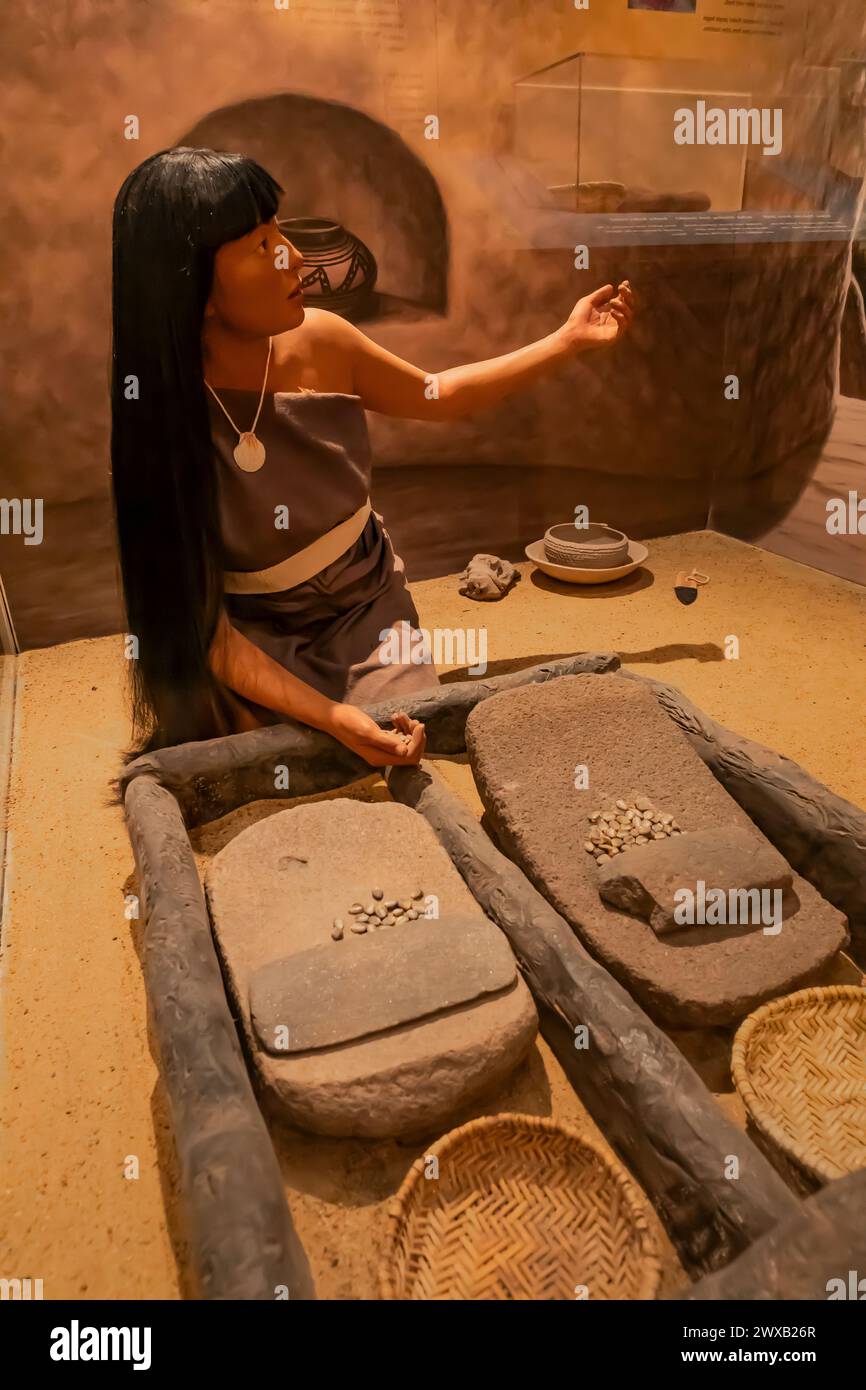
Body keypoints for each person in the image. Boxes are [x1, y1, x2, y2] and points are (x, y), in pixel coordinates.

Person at [110, 148, 634, 765]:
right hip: (249, 626)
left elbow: (443, 395)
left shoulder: (324, 341)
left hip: (362, 605)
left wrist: (566, 340)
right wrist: (328, 716)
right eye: (259, 245)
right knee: (255, 751)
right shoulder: (159, 403)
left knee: (396, 733)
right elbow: (205, 633)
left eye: (279, 229)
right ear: (193, 288)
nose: (294, 257)